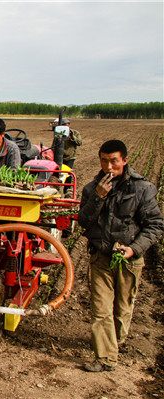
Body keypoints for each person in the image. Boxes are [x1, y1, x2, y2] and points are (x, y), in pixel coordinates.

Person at [78, 139, 163, 372]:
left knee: (122, 309)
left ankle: (115, 341)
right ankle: (105, 358)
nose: (109, 167)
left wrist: (134, 248)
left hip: (128, 259)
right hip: (101, 258)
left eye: (114, 161)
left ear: (125, 161)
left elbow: (155, 225)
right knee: (101, 309)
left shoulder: (141, 189)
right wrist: (98, 197)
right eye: (104, 161)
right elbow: (83, 222)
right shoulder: (91, 188)